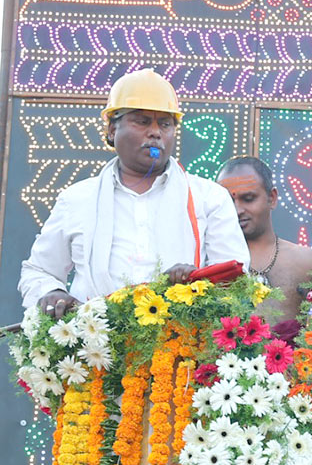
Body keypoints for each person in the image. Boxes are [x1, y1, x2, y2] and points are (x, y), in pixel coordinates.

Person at [19, 69, 249, 316]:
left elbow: (233, 276)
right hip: (95, 347)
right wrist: (52, 293)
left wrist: (195, 282)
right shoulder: (76, 200)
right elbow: (39, 271)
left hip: (181, 345)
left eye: (165, 123)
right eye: (142, 121)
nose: (155, 132)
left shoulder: (209, 197)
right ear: (111, 130)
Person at [217, 157, 312, 323]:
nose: (237, 210)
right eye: (228, 201)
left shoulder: (309, 262)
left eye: (248, 199)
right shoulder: (211, 264)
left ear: (272, 198)